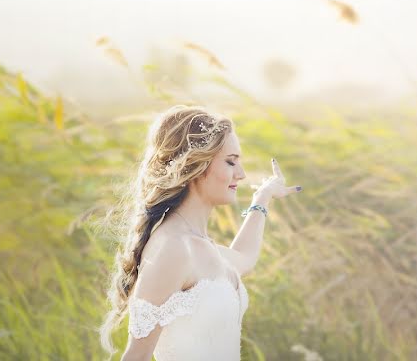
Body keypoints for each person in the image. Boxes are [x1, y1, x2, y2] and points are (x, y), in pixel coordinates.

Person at [98, 105, 302, 360]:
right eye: (230, 162)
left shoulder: (198, 244)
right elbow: (136, 355)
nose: (241, 174)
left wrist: (263, 197)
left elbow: (244, 258)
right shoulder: (174, 248)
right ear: (195, 164)